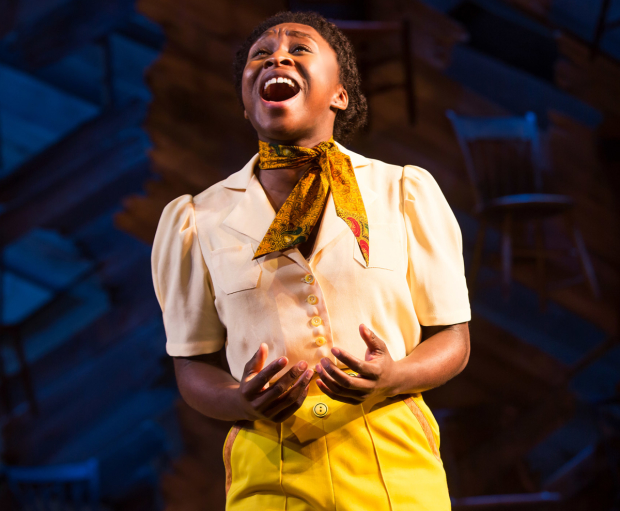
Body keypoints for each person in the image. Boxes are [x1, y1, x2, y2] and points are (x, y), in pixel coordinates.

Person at [151, 10, 471, 511]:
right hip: (269, 465)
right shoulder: (197, 219)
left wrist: (394, 376)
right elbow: (192, 363)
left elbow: (453, 338)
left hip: (392, 457)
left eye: (299, 48)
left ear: (339, 94)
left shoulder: (402, 192)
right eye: (260, 54)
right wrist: (239, 399)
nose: (276, 57)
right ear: (246, 104)